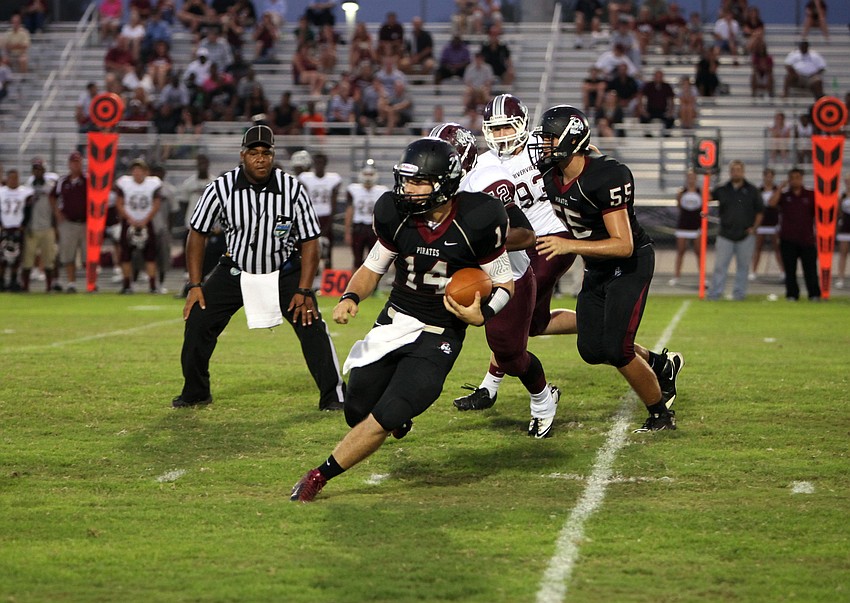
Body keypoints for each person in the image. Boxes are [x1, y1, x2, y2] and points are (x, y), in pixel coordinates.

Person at [289, 137, 514, 502]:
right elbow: (372, 267)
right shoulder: (395, 213)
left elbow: (505, 282)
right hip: (395, 320)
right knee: (357, 409)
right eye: (405, 180)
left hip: (441, 332)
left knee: (387, 413)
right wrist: (350, 296)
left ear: (444, 183)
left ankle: (319, 475)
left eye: (417, 182)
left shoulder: (479, 218)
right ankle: (398, 417)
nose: (407, 189)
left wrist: (483, 312)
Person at [528, 105, 683, 433]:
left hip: (628, 264)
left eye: (551, 138)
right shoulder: (551, 174)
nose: (544, 145)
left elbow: (623, 244)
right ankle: (659, 365)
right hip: (597, 266)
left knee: (617, 348)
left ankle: (660, 414)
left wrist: (570, 246)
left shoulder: (605, 177)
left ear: (570, 139)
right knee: (591, 348)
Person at [173, 125, 346, 411]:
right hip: (235, 270)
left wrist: (304, 289)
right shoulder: (221, 187)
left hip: (284, 269)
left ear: (273, 155)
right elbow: (197, 233)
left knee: (311, 325)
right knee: (198, 322)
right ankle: (196, 391)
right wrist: (194, 286)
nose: (260, 159)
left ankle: (334, 395)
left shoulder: (291, 188)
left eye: (266, 153)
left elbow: (311, 241)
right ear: (243, 155)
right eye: (254, 153)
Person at [432, 121, 563, 438]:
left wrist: (471, 242)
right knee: (426, 342)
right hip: (464, 274)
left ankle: (543, 401)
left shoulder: (487, 181)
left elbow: (525, 234)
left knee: (510, 354)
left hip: (507, 279)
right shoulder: (444, 184)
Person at [706, 160, 764, 301]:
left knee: (743, 267)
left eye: (738, 169)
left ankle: (739, 294)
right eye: (733, 170)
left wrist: (754, 227)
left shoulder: (752, 190)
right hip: (725, 233)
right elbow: (707, 198)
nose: (736, 172)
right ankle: (715, 293)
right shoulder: (722, 189)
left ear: (743, 171)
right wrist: (708, 179)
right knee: (720, 266)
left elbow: (760, 211)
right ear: (730, 172)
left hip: (745, 234)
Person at [769, 168, 821, 301]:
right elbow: (771, 204)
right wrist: (780, 188)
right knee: (790, 270)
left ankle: (814, 294)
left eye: (797, 177)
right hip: (788, 238)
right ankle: (792, 294)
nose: (795, 180)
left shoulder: (810, 194)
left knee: (810, 269)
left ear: (802, 178)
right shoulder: (785, 196)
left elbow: (821, 211)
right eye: (792, 177)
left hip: (807, 238)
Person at [113, 158, 162, 295]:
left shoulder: (152, 183)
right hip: (129, 223)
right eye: (135, 169)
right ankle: (127, 284)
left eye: (140, 169)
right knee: (125, 254)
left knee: (150, 255)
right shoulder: (125, 183)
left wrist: (145, 220)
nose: (137, 172)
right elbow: (119, 203)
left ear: (146, 172)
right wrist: (130, 219)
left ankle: (152, 285)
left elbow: (156, 203)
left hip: (147, 222)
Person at [50, 152, 88, 293]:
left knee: (88, 257)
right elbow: (52, 197)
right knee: (68, 254)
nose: (75, 165)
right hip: (68, 222)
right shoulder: (62, 181)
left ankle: (90, 283)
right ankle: (71, 283)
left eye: (78, 162)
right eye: (73, 162)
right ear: (69, 164)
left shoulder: (88, 180)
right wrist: (57, 212)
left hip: (85, 222)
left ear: (81, 163)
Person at [297, 152, 340, 272]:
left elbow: (333, 202)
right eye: (317, 163)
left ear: (325, 164)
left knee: (327, 252)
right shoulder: (306, 178)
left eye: (321, 163)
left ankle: (327, 280)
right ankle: (311, 279)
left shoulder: (332, 179)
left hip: (326, 216)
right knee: (309, 249)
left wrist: (330, 221)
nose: (319, 165)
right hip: (311, 216)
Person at [21, 157, 59, 293]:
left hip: (47, 226)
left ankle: (49, 287)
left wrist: (55, 225)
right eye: (35, 169)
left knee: (49, 258)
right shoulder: (28, 185)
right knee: (28, 259)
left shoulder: (50, 185)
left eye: (39, 169)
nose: (37, 171)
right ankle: (25, 286)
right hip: (32, 227)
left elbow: (55, 205)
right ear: (32, 171)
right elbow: (24, 206)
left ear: (43, 170)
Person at [344, 159, 387, 270]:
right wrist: (347, 231)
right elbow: (350, 211)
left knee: (374, 261)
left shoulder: (381, 191)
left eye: (371, 174)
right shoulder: (353, 189)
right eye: (366, 174)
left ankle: (372, 285)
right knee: (357, 259)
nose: (368, 177)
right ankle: (355, 285)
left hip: (374, 228)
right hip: (359, 227)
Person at [0, 169, 33, 292]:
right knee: (2, 258)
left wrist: (24, 224)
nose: (13, 180)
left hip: (17, 228)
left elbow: (28, 210)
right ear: (7, 179)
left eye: (16, 177)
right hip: (5, 227)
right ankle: (1, 280)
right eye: (11, 177)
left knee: (16, 257)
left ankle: (14, 280)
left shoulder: (24, 192)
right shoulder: (2, 192)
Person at [669, 169, 701, 286]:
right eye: (689, 177)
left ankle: (702, 277)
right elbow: (679, 207)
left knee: (699, 252)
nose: (691, 179)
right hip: (683, 224)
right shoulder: (681, 192)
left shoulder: (700, 191)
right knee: (681, 251)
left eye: (693, 177)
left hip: (696, 225)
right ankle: (677, 276)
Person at [750, 168, 782, 282]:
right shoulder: (759, 190)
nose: (768, 178)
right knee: (758, 248)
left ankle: (783, 271)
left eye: (770, 176)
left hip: (773, 222)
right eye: (766, 176)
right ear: (763, 177)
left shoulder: (777, 190)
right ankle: (754, 271)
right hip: (762, 223)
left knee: (777, 248)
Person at [835, 174, 850, 289]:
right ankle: (840, 277)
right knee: (843, 253)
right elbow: (838, 213)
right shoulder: (843, 196)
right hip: (846, 227)